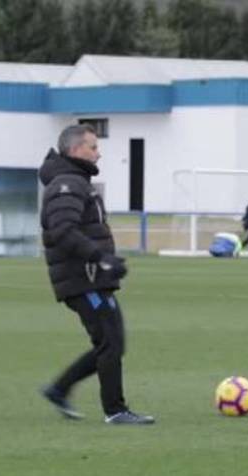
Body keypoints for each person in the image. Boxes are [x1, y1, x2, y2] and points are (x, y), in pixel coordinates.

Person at [37, 124, 154, 425]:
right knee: (111, 343)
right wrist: (100, 258)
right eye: (93, 147)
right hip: (84, 278)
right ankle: (115, 410)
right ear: (75, 150)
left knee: (110, 343)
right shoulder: (67, 184)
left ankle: (59, 389)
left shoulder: (76, 182)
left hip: (89, 277)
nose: (98, 153)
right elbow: (63, 231)